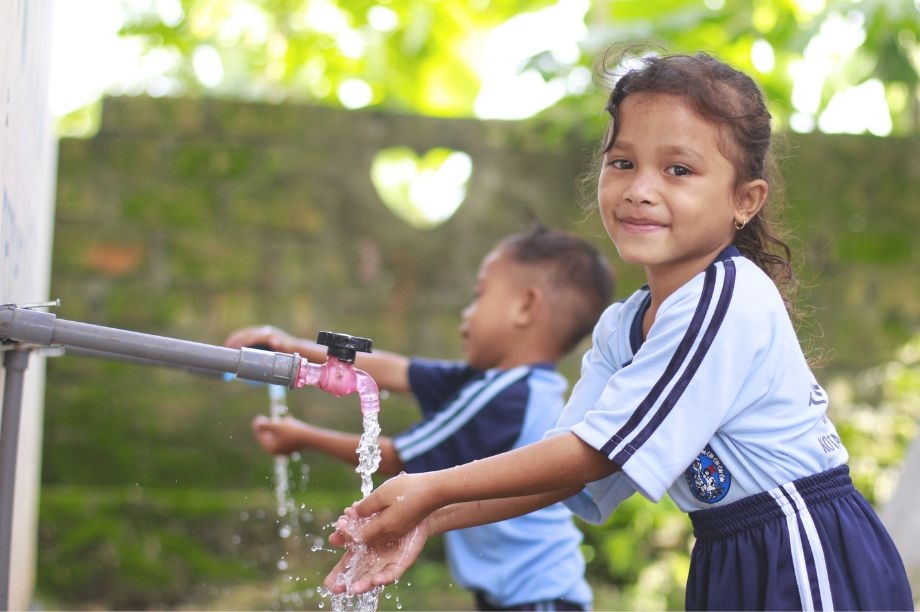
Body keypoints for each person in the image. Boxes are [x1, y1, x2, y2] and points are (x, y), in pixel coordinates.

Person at [321, 49, 915, 611]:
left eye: (678, 169)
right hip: (724, 553)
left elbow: (592, 452)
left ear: (744, 200)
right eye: (622, 163)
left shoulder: (727, 297)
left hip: (802, 550)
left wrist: (433, 488)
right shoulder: (623, 326)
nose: (640, 189)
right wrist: (430, 518)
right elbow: (562, 464)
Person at [224, 224, 615, 611]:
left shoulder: (504, 399)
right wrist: (289, 347)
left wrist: (302, 436)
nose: (466, 313)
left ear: (526, 307)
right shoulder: (511, 384)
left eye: (478, 297)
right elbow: (399, 371)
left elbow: (397, 457)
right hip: (527, 593)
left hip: (534, 599)